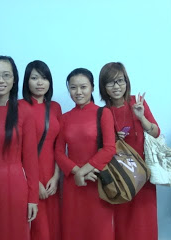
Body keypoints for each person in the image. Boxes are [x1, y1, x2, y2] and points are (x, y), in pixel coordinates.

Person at [99, 62, 160, 240]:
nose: (116, 86)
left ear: (126, 81)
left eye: (120, 81)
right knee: (122, 222)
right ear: (104, 87)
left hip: (143, 173)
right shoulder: (103, 112)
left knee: (144, 221)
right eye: (110, 82)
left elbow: (156, 133)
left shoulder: (137, 102)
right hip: (121, 175)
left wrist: (141, 118)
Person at [0, 56, 39, 240]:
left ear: (14, 79)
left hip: (15, 185)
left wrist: (33, 198)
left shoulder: (24, 111)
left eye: (6, 75)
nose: (1, 81)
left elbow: (30, 159)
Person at [55, 68, 116, 240]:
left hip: (97, 180)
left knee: (99, 230)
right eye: (73, 87)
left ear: (92, 88)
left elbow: (109, 148)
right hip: (71, 184)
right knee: (73, 229)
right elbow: (59, 152)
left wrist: (83, 171)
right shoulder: (64, 118)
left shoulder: (103, 113)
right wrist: (76, 172)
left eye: (83, 87)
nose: (78, 92)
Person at [21, 60, 61, 240]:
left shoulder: (55, 107)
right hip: (29, 177)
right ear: (26, 81)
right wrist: (33, 183)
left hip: (52, 178)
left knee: (54, 228)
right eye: (34, 78)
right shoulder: (19, 107)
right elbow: (17, 149)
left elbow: (59, 146)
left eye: (44, 78)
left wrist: (56, 176)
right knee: (37, 230)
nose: (39, 83)